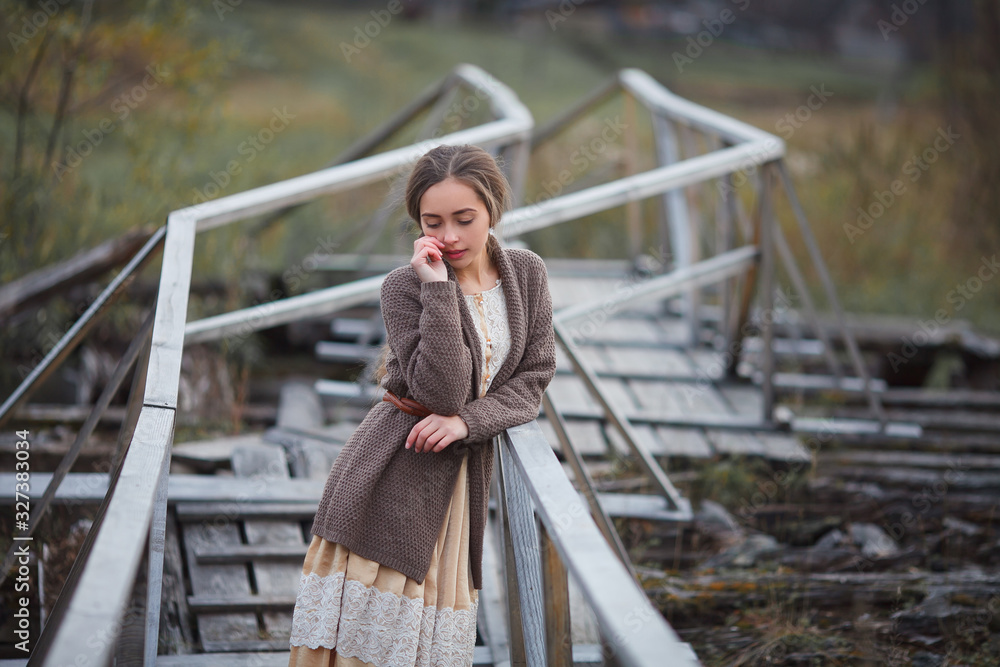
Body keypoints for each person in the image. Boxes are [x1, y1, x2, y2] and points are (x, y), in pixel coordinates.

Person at [288, 144, 557, 666]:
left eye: (464, 219)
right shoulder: (404, 286)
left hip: (459, 483)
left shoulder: (526, 275)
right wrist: (437, 290)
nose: (450, 237)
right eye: (433, 222)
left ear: (493, 211)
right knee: (368, 648)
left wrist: (469, 423)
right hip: (393, 474)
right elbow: (441, 393)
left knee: (427, 646)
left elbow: (534, 378)